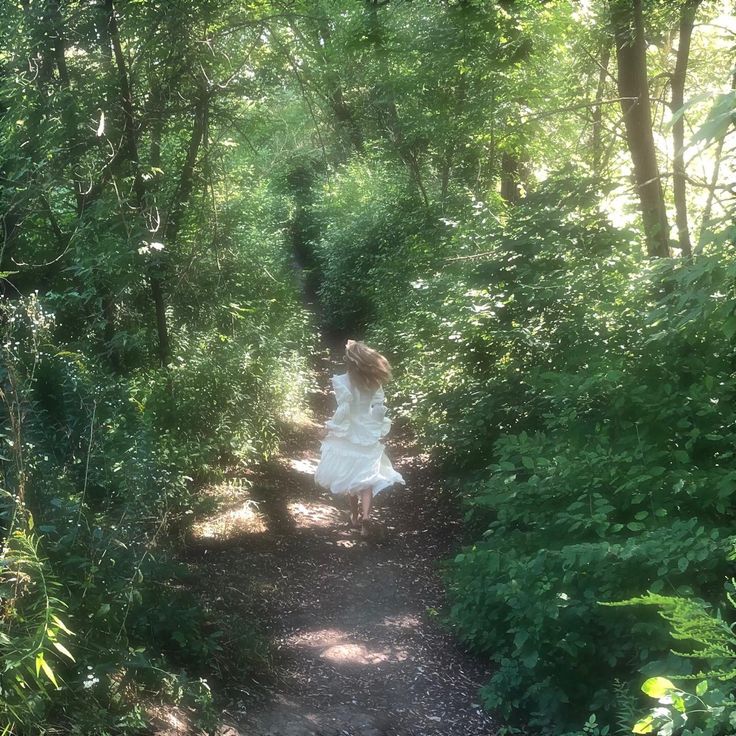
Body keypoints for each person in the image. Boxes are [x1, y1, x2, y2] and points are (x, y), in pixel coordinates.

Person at [315, 340, 404, 537]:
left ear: (349, 362)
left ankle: (354, 518)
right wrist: (377, 427)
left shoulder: (341, 381)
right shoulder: (374, 383)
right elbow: (378, 409)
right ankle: (366, 518)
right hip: (367, 432)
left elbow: (343, 410)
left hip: (348, 432)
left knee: (350, 475)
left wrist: (329, 428)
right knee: (367, 478)